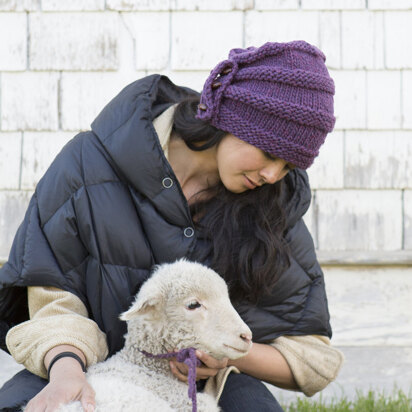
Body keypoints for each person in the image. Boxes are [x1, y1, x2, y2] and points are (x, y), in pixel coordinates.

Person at [0, 40, 344, 412]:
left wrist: (222, 352)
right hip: (79, 363)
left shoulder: (273, 205)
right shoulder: (88, 166)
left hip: (206, 385)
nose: (273, 174)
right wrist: (67, 373)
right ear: (231, 118)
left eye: (290, 166)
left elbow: (312, 359)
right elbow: (53, 299)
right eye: (270, 153)